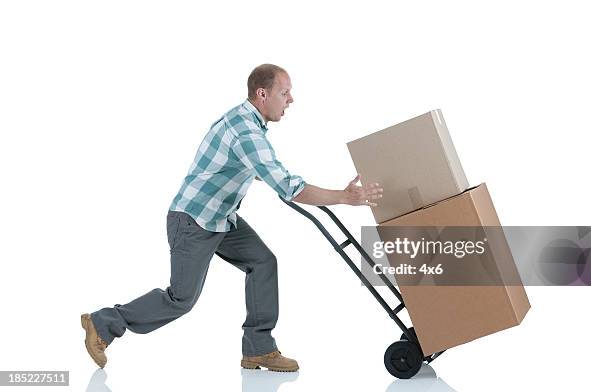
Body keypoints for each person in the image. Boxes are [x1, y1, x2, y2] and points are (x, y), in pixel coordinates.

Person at [81, 63, 383, 372]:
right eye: (285, 92)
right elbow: (288, 187)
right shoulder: (245, 131)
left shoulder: (246, 124)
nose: (290, 99)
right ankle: (104, 322)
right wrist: (344, 198)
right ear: (262, 94)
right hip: (194, 221)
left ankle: (258, 349)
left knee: (263, 262)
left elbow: (266, 172)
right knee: (181, 299)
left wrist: (290, 183)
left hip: (221, 218)